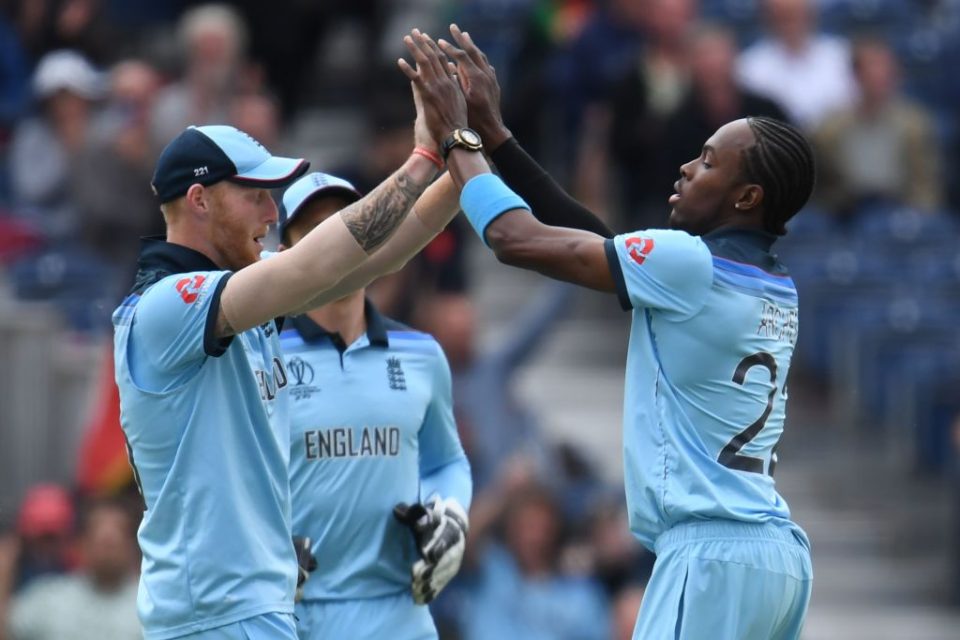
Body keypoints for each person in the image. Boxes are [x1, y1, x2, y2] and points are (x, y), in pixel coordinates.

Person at [405, 26, 815, 639]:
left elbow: (514, 239)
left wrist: (458, 134)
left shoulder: (688, 264)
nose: (685, 166)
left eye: (706, 162)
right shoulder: (774, 283)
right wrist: (498, 138)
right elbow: (592, 241)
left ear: (747, 195)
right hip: (776, 557)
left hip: (708, 556)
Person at [113, 40, 468, 640]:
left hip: (249, 611)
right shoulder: (168, 304)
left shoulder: (231, 299)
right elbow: (311, 267)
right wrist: (423, 154)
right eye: (255, 195)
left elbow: (369, 260)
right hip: (217, 618)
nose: (270, 215)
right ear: (199, 199)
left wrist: (464, 152)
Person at [276, 171, 471, 639]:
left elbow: (447, 460)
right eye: (319, 235)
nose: (339, 247)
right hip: (292, 616)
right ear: (284, 255)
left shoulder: (422, 354)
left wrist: (453, 515)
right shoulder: (261, 359)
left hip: (400, 615)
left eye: (350, 227)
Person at [811, 37, 942, 216]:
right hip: (846, 214)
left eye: (885, 70)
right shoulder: (829, 130)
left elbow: (925, 184)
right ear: (856, 75)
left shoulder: (914, 125)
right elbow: (821, 189)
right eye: (871, 70)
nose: (879, 77)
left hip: (901, 211)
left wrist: (919, 215)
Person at [0, 498, 141, 640]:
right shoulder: (47, 599)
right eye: (97, 531)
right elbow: (6, 632)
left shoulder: (150, 605)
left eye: (119, 531)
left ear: (134, 545)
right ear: (81, 543)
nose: (108, 539)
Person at [736, 0, 855, 130]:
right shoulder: (749, 66)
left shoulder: (840, 55)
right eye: (783, 16)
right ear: (768, 18)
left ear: (810, 14)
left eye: (795, 14)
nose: (791, 22)